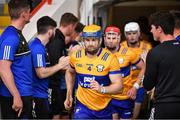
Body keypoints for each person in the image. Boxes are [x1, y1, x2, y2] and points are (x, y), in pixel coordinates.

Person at [64, 24, 123, 119]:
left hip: (104, 108)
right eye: (87, 40)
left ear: (100, 40)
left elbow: (119, 87)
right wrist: (69, 94)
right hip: (83, 106)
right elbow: (70, 72)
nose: (90, 43)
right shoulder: (76, 56)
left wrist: (101, 89)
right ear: (83, 41)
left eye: (94, 40)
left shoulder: (110, 59)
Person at [28, 16, 69, 119]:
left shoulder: (39, 46)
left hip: (41, 95)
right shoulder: (37, 48)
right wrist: (60, 65)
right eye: (54, 31)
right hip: (37, 97)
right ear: (50, 32)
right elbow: (41, 73)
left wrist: (59, 65)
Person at [143, 11, 180, 119]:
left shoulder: (155, 53)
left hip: (164, 106)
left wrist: (147, 63)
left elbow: (148, 85)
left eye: (152, 27)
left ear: (159, 29)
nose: (150, 30)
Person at [104, 26, 145, 119]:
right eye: (108, 38)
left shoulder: (129, 53)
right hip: (109, 98)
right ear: (104, 38)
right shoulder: (101, 54)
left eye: (114, 38)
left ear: (119, 38)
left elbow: (143, 67)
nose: (111, 41)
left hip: (126, 98)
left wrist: (136, 86)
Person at [0, 0, 32, 119]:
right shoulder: (10, 37)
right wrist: (16, 96)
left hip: (23, 93)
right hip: (16, 97)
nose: (31, 14)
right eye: (29, 12)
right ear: (23, 14)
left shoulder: (17, 34)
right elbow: (3, 69)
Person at [46, 12, 78, 119]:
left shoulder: (60, 39)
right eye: (74, 27)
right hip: (54, 85)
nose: (73, 31)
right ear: (70, 25)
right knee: (56, 114)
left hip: (57, 85)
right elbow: (56, 65)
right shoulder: (57, 41)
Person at [121, 22, 152, 119]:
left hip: (140, 83)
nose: (132, 36)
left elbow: (150, 65)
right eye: (129, 34)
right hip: (125, 83)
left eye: (134, 33)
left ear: (139, 34)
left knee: (137, 111)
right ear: (125, 35)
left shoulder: (146, 46)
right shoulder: (121, 46)